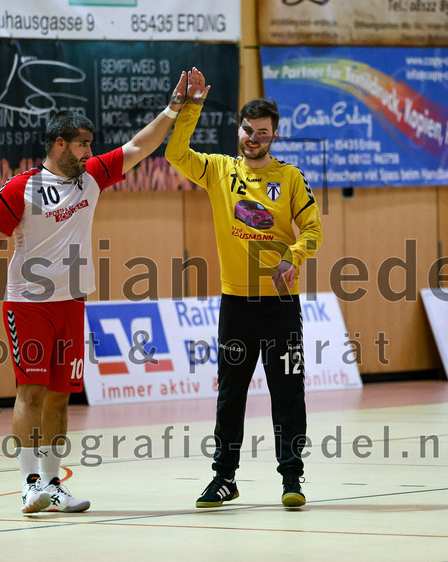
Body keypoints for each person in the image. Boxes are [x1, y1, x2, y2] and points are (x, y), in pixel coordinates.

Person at [0, 71, 188, 515]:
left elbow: (140, 146)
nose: (90, 151)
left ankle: (54, 484)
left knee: (60, 396)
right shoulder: (21, 187)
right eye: (82, 144)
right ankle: (29, 484)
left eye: (90, 144)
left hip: (72, 303)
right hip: (28, 304)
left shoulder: (91, 176)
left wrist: (172, 109)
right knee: (31, 391)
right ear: (59, 144)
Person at [165, 68, 322, 509]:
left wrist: (294, 255)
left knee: (287, 392)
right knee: (231, 394)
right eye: (248, 130)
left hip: (280, 307)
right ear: (239, 130)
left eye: (262, 132)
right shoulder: (219, 170)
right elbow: (175, 152)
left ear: (275, 135)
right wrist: (191, 107)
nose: (254, 138)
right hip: (236, 304)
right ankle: (224, 478)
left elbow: (313, 229)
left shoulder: (290, 177)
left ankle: (291, 477)